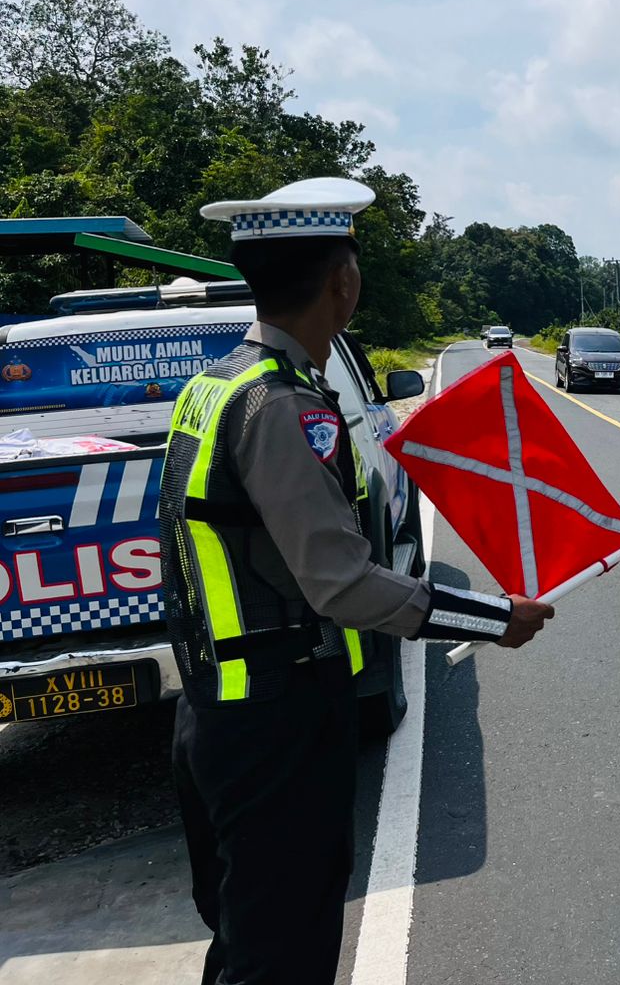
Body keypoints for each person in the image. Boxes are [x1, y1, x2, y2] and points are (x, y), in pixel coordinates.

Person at [159, 178, 554, 985]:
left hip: (213, 709)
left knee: (246, 939)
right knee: (284, 954)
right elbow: (343, 585)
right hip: (276, 721)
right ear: (342, 283)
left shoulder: (215, 385)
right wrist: (492, 618)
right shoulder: (284, 408)